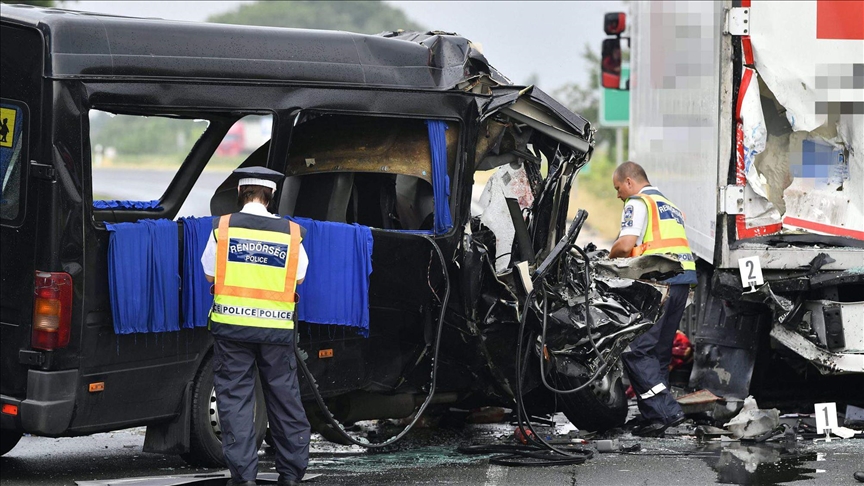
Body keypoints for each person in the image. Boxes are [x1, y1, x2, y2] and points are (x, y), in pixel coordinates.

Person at [201, 166, 311, 486]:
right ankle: (290, 474)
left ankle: (243, 476)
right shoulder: (291, 233)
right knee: (284, 399)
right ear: (272, 196)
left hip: (231, 328)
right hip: (276, 329)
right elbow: (299, 277)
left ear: (240, 193)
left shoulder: (223, 228)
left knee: (234, 400)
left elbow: (209, 273)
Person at [609, 161, 697, 437]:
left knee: (635, 350)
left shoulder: (638, 202)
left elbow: (626, 244)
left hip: (659, 284)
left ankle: (667, 412)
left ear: (629, 182)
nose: (618, 195)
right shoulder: (667, 204)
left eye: (618, 188)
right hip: (682, 281)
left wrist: (606, 259)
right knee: (659, 352)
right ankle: (653, 416)